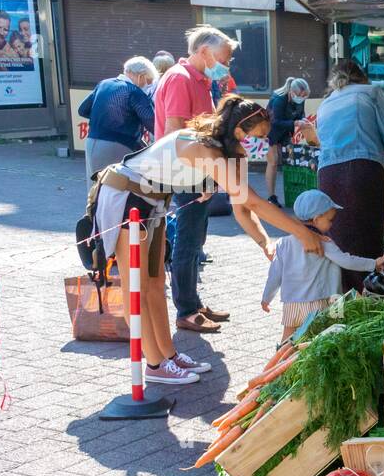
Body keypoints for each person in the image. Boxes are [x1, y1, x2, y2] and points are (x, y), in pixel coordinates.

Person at [91, 95, 326, 383]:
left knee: (154, 284)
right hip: (126, 197)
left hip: (153, 203)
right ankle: (154, 365)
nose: (261, 144)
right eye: (259, 136)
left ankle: (168, 355)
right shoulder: (202, 147)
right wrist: (300, 231)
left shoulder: (233, 152)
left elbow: (241, 208)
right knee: (136, 286)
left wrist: (265, 242)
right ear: (240, 128)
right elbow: (252, 202)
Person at [156, 24, 237, 333]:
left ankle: (192, 302)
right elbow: (175, 133)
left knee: (195, 241)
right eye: (224, 58)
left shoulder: (198, 80)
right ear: (204, 52)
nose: (226, 65)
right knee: (188, 243)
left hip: (196, 173)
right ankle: (187, 310)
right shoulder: (180, 78)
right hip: (186, 174)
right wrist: (197, 178)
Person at [315, 59, 384, 291]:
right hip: (363, 171)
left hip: (328, 177)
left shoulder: (325, 104)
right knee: (367, 239)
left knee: (340, 243)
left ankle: (343, 301)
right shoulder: (371, 92)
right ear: (362, 76)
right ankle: (369, 298)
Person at [262, 189, 376, 342]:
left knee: (287, 340)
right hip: (321, 302)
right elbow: (347, 261)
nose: (331, 224)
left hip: (292, 303)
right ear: (316, 219)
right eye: (330, 220)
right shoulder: (323, 242)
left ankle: (279, 364)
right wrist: (374, 263)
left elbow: (274, 274)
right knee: (322, 341)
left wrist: (266, 298)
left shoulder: (283, 243)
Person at [78, 56, 157, 180]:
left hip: (92, 141)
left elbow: (82, 110)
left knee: (95, 187)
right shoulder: (134, 92)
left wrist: (103, 118)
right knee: (114, 187)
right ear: (140, 75)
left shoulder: (104, 84)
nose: (149, 84)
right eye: (148, 80)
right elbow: (153, 124)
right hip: (118, 145)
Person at [265, 77, 310, 204]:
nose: (302, 98)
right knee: (273, 162)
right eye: (300, 96)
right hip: (270, 131)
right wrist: (296, 122)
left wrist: (303, 120)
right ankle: (271, 196)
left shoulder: (300, 98)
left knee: (289, 160)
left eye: (305, 96)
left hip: (285, 131)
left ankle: (294, 193)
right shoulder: (279, 99)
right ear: (292, 92)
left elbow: (301, 113)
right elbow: (275, 121)